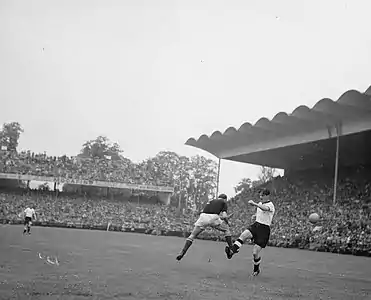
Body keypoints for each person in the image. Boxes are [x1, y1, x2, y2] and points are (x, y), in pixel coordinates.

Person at [225, 189, 275, 276]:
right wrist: (255, 216)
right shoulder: (260, 204)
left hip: (264, 229)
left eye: (262, 195)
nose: (261, 197)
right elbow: (262, 212)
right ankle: (232, 251)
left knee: (255, 252)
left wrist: (254, 204)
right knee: (243, 235)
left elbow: (265, 209)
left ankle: (256, 270)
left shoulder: (270, 205)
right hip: (256, 225)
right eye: (260, 195)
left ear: (267, 196)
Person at [176, 194, 233, 261]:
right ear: (225, 199)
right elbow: (224, 216)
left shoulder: (211, 201)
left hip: (203, 217)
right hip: (213, 217)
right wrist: (228, 222)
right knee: (226, 230)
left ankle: (182, 252)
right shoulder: (223, 202)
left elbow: (208, 214)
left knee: (192, 235)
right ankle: (231, 249)